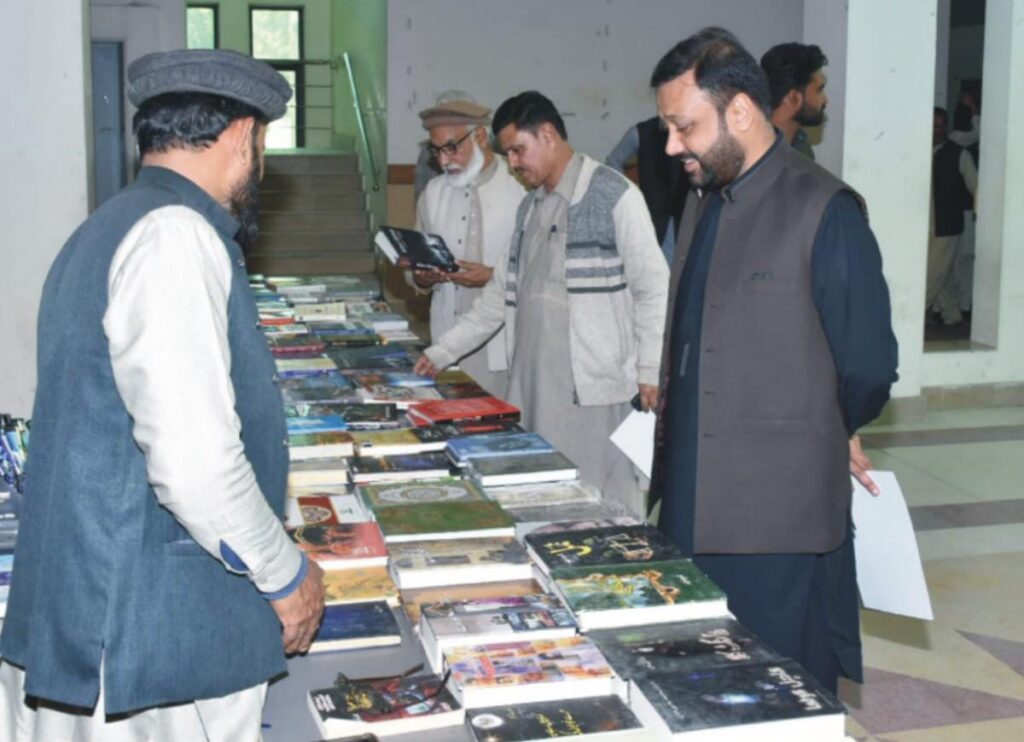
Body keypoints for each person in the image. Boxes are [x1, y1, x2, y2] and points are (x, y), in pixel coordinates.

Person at [0, 49, 325, 740]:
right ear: (244, 137)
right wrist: (284, 573)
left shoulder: (110, 223)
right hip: (148, 632)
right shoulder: (175, 235)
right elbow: (195, 464)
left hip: (99, 605)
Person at [649, 28, 898, 693]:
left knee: (781, 688)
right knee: (700, 683)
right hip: (693, 499)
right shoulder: (705, 198)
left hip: (777, 516)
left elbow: (869, 364)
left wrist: (827, 425)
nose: (672, 146)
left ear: (738, 111)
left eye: (683, 127)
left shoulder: (824, 208)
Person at [415, 91, 669, 517]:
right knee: (542, 504)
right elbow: (497, 298)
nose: (513, 163)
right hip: (533, 386)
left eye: (518, 150)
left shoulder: (613, 194)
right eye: (508, 154)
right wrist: (441, 352)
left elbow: (654, 287)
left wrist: (649, 370)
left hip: (594, 391)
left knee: (603, 508)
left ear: (548, 134)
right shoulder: (529, 207)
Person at [411, 96, 525, 396]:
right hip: (446, 335)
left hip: (507, 339)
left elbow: (539, 266)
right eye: (436, 151)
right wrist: (422, 277)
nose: (444, 161)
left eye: (451, 148)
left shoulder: (521, 184)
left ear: (480, 137)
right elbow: (416, 264)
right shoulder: (433, 192)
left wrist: (492, 276)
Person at [606, 116, 689, 262]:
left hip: (688, 215)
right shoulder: (641, 132)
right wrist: (630, 196)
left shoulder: (692, 128)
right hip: (654, 218)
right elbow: (613, 163)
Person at [926, 106, 977, 327]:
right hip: (924, 224)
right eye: (932, 126)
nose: (936, 131)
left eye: (940, 126)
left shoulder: (959, 154)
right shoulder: (919, 150)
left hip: (947, 225)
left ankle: (912, 315)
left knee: (930, 274)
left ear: (946, 127)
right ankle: (952, 313)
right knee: (942, 275)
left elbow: (976, 187)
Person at [760, 42, 829, 160]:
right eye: (819, 90)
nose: (825, 99)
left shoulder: (800, 143)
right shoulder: (755, 152)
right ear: (793, 98)